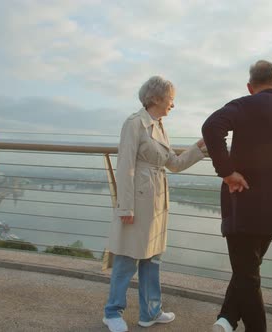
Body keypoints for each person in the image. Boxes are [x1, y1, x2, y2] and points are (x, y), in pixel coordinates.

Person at [202, 60, 272, 332]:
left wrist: (227, 172)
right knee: (247, 270)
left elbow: (211, 127)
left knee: (247, 274)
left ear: (251, 87)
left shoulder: (243, 105)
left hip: (246, 202)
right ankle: (227, 319)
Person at [103, 75, 206, 332]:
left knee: (152, 259)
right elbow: (125, 164)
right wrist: (125, 207)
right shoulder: (134, 123)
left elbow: (174, 164)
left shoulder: (159, 126)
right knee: (127, 258)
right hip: (137, 202)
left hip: (157, 200)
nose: (174, 104)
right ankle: (112, 312)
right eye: (171, 98)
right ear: (157, 98)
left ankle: (150, 312)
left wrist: (200, 147)